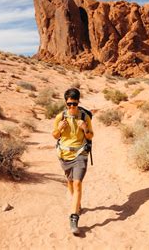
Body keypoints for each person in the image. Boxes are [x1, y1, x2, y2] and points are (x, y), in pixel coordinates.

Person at [52, 88, 94, 235]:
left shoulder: (84, 117)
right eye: (69, 104)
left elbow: (90, 136)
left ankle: (73, 217)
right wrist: (59, 129)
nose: (71, 107)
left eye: (74, 104)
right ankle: (77, 205)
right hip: (64, 155)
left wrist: (85, 129)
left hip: (80, 154)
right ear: (65, 102)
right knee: (69, 182)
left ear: (78, 102)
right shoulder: (60, 117)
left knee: (77, 183)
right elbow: (55, 135)